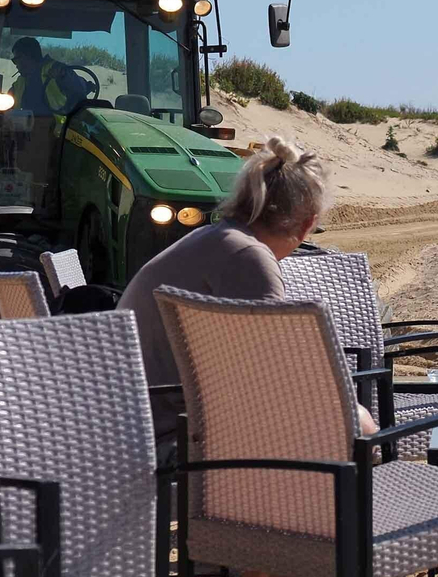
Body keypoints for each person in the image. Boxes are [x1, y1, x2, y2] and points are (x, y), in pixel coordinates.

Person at [118, 135, 377, 466]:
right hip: (177, 448)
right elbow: (278, 380)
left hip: (133, 437)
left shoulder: (213, 240)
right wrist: (356, 418)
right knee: (362, 434)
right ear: (307, 224)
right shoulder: (248, 257)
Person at [9, 36, 87, 115]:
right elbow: (7, 103)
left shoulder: (58, 70)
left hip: (60, 123)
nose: (16, 64)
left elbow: (79, 91)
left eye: (16, 59)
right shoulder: (20, 82)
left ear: (28, 55)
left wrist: (63, 76)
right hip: (23, 123)